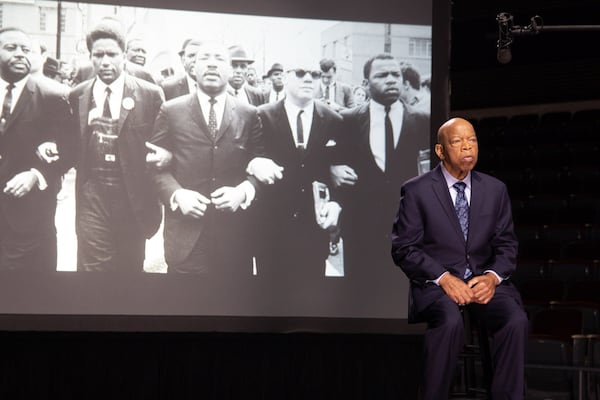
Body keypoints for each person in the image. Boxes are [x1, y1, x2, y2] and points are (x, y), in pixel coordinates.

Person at [391, 117, 528, 399]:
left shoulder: (495, 190)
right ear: (440, 151)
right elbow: (404, 248)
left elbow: (506, 245)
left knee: (514, 319)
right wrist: (444, 278)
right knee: (450, 322)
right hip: (438, 285)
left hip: (482, 282)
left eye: (472, 140)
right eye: (457, 141)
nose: (467, 147)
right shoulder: (417, 190)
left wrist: (492, 278)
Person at [150, 41, 264, 276]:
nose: (212, 63)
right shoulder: (170, 110)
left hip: (235, 240)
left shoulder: (249, 114)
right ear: (193, 67)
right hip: (185, 237)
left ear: (231, 70)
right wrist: (176, 194)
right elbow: (154, 167)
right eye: (205, 58)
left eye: (220, 59)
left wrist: (242, 192)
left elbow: (259, 167)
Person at [67, 20, 166, 272]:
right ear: (90, 57)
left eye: (112, 54)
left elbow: (163, 142)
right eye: (98, 55)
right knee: (94, 269)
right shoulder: (77, 95)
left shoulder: (150, 94)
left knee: (129, 268)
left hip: (132, 195)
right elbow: (68, 143)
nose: (105, 61)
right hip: (93, 194)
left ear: (124, 55)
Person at [331, 53, 429, 279]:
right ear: (365, 84)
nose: (391, 79)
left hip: (407, 228)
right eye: (382, 75)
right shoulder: (348, 120)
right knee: (360, 293)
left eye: (396, 74)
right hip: (360, 226)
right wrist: (332, 169)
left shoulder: (422, 121)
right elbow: (330, 158)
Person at [254, 64, 342, 284]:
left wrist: (336, 204)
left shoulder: (333, 120)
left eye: (314, 74)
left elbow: (339, 171)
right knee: (269, 296)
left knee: (310, 295)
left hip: (313, 230)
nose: (308, 79)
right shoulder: (262, 116)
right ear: (285, 77)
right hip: (271, 227)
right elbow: (252, 158)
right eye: (301, 73)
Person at [0, 27, 76, 271]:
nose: (20, 54)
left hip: (30, 217)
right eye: (11, 48)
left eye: (26, 49)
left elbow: (69, 151)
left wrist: (36, 174)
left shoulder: (53, 97)